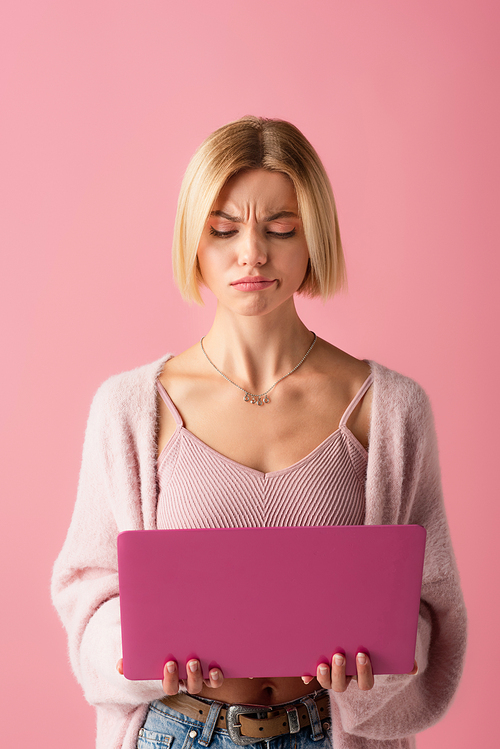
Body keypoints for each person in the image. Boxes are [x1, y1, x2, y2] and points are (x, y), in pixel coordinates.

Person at [51, 116, 467, 749]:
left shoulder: (391, 409)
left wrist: (373, 674)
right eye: (224, 229)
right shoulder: (129, 408)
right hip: (177, 731)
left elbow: (430, 605)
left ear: (314, 239)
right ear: (194, 238)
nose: (252, 253)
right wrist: (135, 651)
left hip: (329, 733)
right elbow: (88, 595)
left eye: (280, 228)